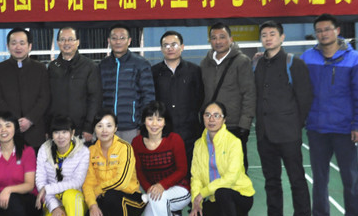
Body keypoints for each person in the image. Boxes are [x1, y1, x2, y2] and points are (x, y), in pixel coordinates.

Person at [301, 14, 358, 216]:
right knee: (319, 178)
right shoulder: (307, 58)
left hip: (345, 130)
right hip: (317, 129)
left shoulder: (355, 59)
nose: (323, 34)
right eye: (319, 31)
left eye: (327, 29)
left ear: (337, 31)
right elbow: (296, 88)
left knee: (351, 179)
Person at [253, 21, 313, 216]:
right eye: (264, 35)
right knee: (271, 180)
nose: (268, 38)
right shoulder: (256, 64)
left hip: (288, 134)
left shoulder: (294, 63)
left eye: (272, 34)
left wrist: (295, 125)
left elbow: (304, 98)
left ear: (282, 37)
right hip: (264, 134)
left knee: (296, 179)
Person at [189, 102, 255, 216]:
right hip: (215, 199)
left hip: (240, 196)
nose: (211, 119)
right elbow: (196, 176)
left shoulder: (234, 142)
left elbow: (230, 178)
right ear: (203, 118)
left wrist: (203, 193)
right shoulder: (199, 145)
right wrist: (196, 202)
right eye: (207, 115)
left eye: (217, 115)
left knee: (222, 192)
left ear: (224, 119)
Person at [83, 110, 146, 216]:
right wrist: (92, 205)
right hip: (106, 197)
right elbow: (88, 183)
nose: (104, 130)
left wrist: (99, 189)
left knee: (112, 196)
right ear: (94, 129)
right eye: (100, 126)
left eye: (109, 126)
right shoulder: (91, 151)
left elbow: (122, 182)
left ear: (116, 128)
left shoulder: (125, 148)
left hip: (132, 200)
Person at [131, 101, 191, 216]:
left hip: (180, 189)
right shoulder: (136, 142)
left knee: (159, 198)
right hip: (155, 193)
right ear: (144, 121)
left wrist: (161, 185)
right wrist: (149, 189)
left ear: (165, 122)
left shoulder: (174, 139)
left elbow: (182, 170)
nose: (154, 124)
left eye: (159, 119)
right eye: (150, 119)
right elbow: (139, 171)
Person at [199, 22, 256, 172]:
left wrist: (244, 125)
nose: (218, 41)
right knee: (213, 169)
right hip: (211, 127)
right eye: (214, 38)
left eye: (222, 37)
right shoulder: (205, 64)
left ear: (231, 39)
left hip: (234, 126)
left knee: (236, 171)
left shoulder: (242, 61)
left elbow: (249, 94)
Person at [35, 115, 90, 216]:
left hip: (76, 199)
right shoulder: (44, 150)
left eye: (65, 132)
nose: (60, 136)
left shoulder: (83, 151)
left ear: (72, 133)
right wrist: (54, 206)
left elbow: (77, 182)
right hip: (53, 199)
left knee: (71, 195)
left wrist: (48, 189)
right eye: (56, 132)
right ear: (51, 135)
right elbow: (40, 180)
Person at [0, 28, 50, 149]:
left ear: (29, 46)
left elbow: (45, 97)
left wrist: (30, 119)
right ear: (8, 46)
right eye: (14, 43)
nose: (18, 47)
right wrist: (13, 120)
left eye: (22, 43)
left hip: (35, 130)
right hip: (8, 131)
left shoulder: (40, 68)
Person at [151, 30, 204, 168]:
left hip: (190, 132)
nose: (170, 48)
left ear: (182, 47)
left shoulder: (194, 71)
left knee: (190, 169)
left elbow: (200, 97)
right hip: (163, 132)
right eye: (166, 45)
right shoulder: (154, 72)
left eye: (174, 44)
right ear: (161, 49)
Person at [99, 24, 155, 142]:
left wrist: (142, 125)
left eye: (122, 38)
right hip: (106, 128)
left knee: (130, 154)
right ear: (109, 41)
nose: (118, 41)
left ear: (129, 41)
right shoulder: (102, 65)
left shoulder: (141, 64)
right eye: (114, 38)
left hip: (132, 128)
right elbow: (98, 96)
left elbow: (148, 97)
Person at [46, 26, 102, 143]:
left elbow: (95, 99)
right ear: (58, 43)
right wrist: (47, 128)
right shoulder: (52, 67)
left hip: (81, 131)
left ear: (78, 42)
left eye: (70, 39)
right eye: (62, 39)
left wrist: (89, 127)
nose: (66, 43)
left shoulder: (89, 66)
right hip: (58, 130)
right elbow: (47, 99)